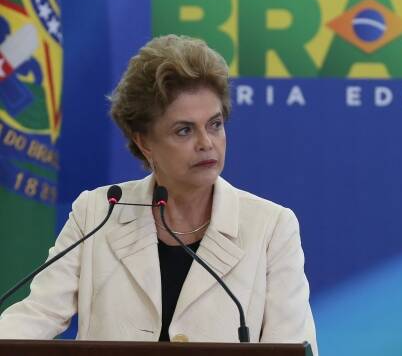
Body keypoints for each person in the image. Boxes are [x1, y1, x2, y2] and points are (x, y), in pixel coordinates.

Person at [0, 35, 318, 354]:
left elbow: (289, 343)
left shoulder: (271, 226)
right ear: (144, 142)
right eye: (184, 130)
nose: (206, 143)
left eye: (215, 124)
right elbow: (38, 314)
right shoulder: (98, 212)